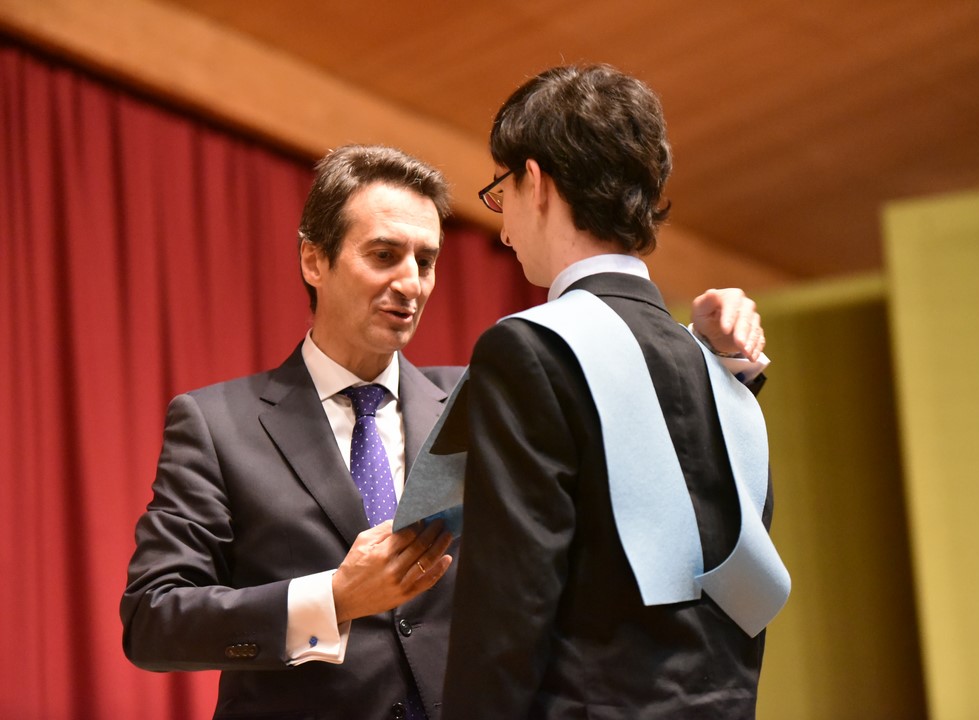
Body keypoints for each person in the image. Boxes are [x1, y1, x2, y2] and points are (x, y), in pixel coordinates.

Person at [121, 143, 768, 720]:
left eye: (426, 260)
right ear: (314, 259)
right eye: (384, 255)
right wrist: (334, 598)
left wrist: (709, 354)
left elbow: (628, 439)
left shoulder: (485, 394)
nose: (411, 283)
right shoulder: (216, 424)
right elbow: (152, 619)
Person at [440, 64, 786, 719]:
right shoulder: (720, 363)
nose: (503, 229)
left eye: (500, 193)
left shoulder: (529, 349)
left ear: (537, 183)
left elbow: (510, 597)